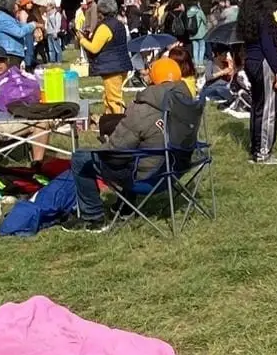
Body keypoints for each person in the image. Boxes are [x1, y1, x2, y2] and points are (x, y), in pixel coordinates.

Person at [63, 58, 193, 229]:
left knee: (81, 158)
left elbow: (115, 151)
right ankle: (124, 207)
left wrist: (105, 143)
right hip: (175, 170)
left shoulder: (144, 108)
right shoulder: (189, 104)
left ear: (153, 78)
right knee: (140, 147)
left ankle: (93, 217)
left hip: (148, 178)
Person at [238, 0, 277, 165]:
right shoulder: (265, 15)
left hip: (251, 60)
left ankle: (256, 146)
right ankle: (263, 152)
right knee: (268, 109)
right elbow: (268, 44)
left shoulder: (247, 14)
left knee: (257, 106)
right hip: (264, 62)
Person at [78, 0, 133, 117]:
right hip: (120, 65)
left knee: (113, 99)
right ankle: (109, 120)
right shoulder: (118, 24)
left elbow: (94, 47)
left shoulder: (105, 26)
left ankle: (118, 122)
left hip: (112, 68)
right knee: (108, 97)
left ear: (101, 11)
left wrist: (81, 40)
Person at [0, 0, 34, 67]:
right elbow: (19, 32)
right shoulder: (2, 18)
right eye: (17, 5)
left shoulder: (6, 16)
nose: (19, 7)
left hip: (13, 53)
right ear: (10, 4)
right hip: (9, 53)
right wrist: (32, 24)